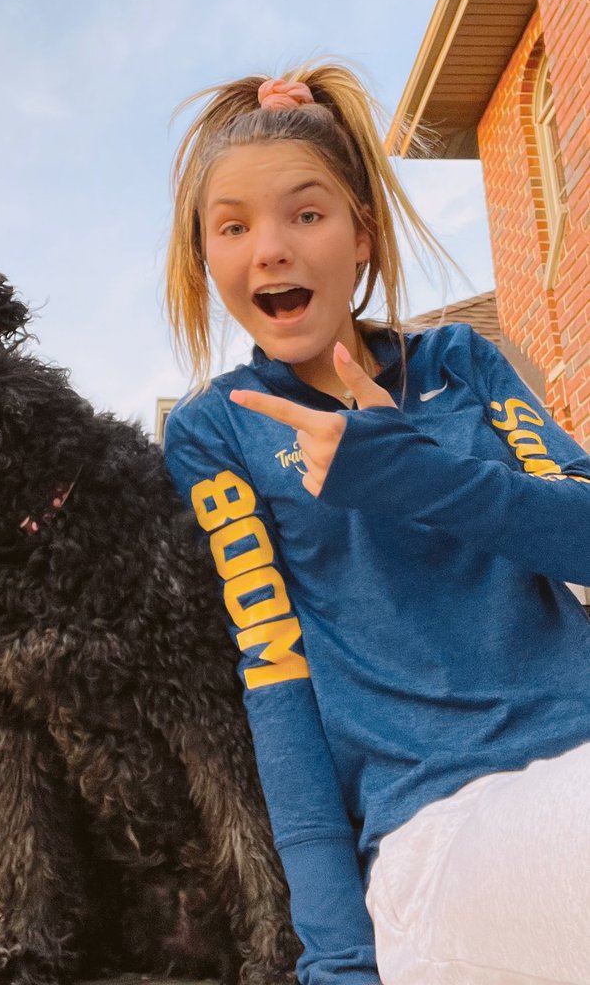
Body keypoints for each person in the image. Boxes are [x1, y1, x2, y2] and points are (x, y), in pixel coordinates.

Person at [162, 65, 590, 985]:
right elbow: (275, 677)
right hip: (441, 818)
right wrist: (340, 960)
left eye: (305, 215)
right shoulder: (218, 429)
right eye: (232, 226)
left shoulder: (462, 363)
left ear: (361, 234)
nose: (268, 249)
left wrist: (422, 479)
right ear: (206, 256)